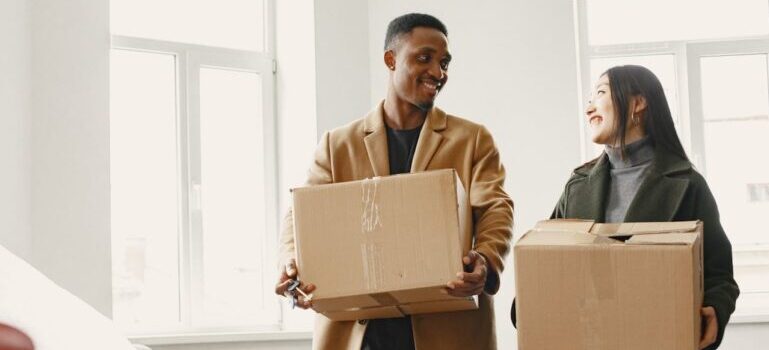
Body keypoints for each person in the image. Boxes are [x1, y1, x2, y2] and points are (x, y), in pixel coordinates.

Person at [274, 13, 513, 350]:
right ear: (391, 59)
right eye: (424, 58)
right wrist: (292, 265)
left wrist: (485, 261)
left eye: (444, 62)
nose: (438, 72)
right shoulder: (337, 143)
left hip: (446, 329)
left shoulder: (472, 138)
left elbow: (495, 209)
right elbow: (301, 216)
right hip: (359, 332)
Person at [511, 65, 739, 349]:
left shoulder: (688, 184)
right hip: (587, 339)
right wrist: (531, 300)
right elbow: (548, 259)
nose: (589, 108)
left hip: (658, 338)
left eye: (601, 93)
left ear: (638, 103)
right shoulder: (577, 185)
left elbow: (719, 273)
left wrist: (716, 308)